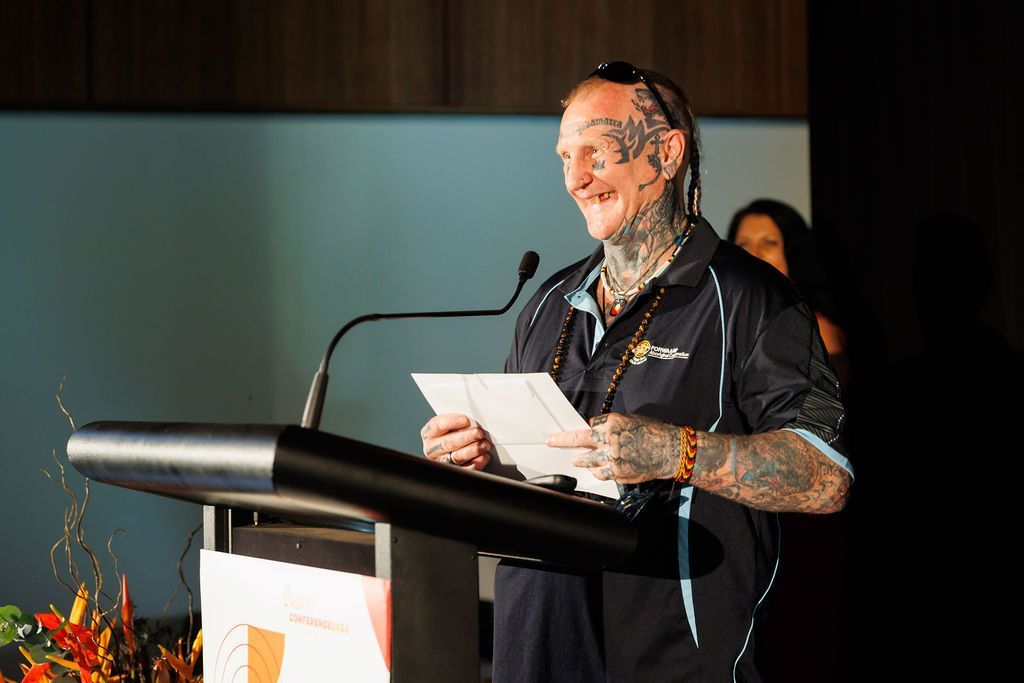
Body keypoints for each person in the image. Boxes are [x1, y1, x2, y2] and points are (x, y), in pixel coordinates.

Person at [419, 62, 852, 682]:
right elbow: (530, 475)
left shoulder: (753, 299)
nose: (575, 178)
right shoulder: (548, 301)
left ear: (666, 153)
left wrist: (677, 453)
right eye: (565, 157)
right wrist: (474, 461)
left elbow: (827, 476)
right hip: (538, 646)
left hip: (675, 657)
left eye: (596, 151)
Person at [728, 199, 850, 385]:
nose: (754, 253)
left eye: (769, 243)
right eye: (743, 244)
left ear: (794, 251)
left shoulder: (816, 328)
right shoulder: (728, 321)